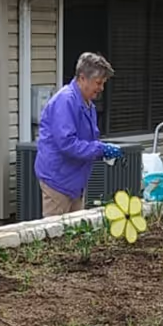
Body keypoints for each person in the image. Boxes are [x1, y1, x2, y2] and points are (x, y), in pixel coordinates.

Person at [34, 51, 123, 217]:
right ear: (82, 78)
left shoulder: (88, 104)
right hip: (58, 180)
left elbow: (89, 139)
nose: (101, 88)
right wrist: (100, 149)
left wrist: (102, 150)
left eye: (103, 83)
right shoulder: (65, 101)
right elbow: (67, 143)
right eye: (98, 83)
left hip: (75, 180)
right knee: (56, 235)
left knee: (75, 235)